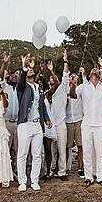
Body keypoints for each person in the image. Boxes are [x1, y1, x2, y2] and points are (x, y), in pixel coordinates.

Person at [16, 54, 52, 192]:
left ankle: (35, 180)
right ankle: (22, 182)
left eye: (32, 69)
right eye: (28, 70)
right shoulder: (23, 87)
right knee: (23, 154)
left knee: (37, 154)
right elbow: (20, 82)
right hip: (25, 124)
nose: (31, 70)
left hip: (37, 124)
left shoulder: (38, 87)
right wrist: (24, 67)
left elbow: (41, 106)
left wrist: (47, 119)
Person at [74, 58, 102, 187]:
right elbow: (72, 95)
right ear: (89, 75)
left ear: (99, 74)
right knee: (87, 152)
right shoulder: (83, 87)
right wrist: (72, 83)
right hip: (87, 124)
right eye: (92, 69)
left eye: (97, 69)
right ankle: (88, 177)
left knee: (100, 152)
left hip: (100, 124)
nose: (94, 70)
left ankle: (100, 177)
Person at [43, 52, 70, 180]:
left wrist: (54, 69)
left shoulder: (63, 89)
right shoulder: (46, 94)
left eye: (54, 80)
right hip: (49, 125)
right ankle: (49, 171)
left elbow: (65, 75)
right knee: (49, 150)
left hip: (60, 124)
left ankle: (62, 172)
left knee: (61, 149)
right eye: (50, 81)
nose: (52, 82)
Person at [0, 53, 19, 176]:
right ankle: (7, 171)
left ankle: (17, 170)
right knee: (6, 149)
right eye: (12, 76)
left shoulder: (21, 88)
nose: (14, 77)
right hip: (6, 123)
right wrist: (4, 63)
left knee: (18, 149)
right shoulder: (5, 86)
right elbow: (0, 76)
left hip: (18, 123)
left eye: (16, 76)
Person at [66, 67, 85, 176]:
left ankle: (80, 168)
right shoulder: (65, 90)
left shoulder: (81, 89)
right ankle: (67, 167)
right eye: (71, 76)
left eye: (74, 76)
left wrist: (83, 74)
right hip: (68, 120)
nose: (72, 78)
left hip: (78, 120)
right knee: (67, 146)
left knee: (80, 145)